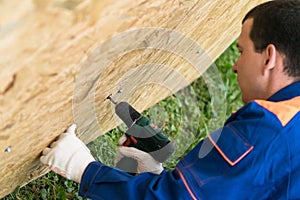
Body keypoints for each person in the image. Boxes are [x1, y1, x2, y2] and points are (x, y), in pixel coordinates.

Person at [40, 0, 300, 199]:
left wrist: (83, 169)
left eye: (241, 52)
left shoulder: (270, 128)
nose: (234, 66)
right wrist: (156, 177)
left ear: (269, 58)